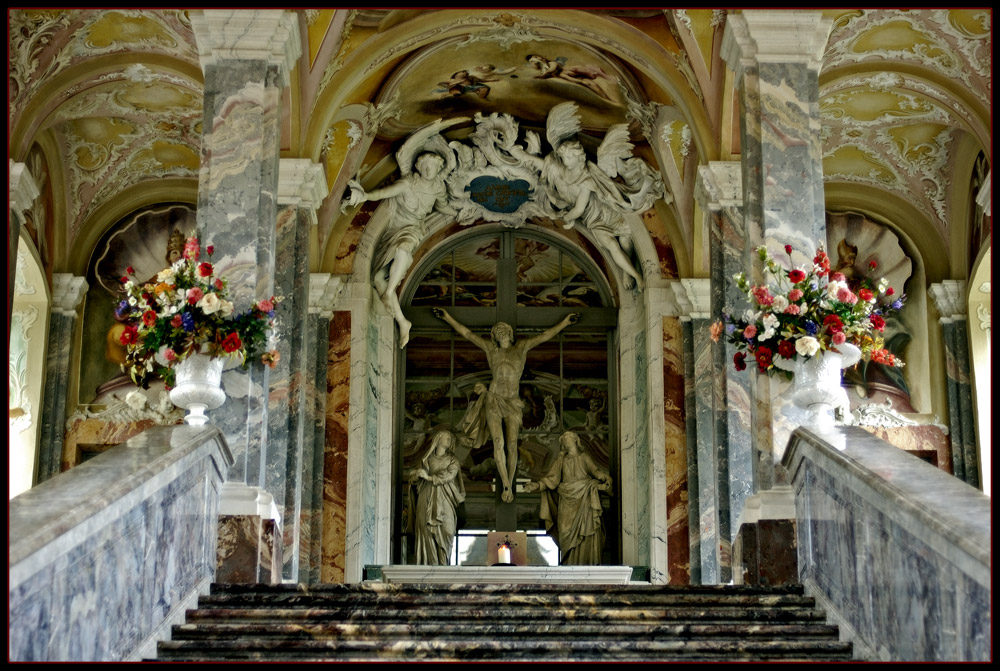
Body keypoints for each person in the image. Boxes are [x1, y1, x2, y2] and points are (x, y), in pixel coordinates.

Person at [433, 307, 579, 503]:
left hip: (512, 401)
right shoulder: (490, 349)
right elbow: (467, 334)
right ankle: (506, 484)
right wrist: (448, 318)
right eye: (497, 331)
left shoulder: (521, 347)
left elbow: (545, 336)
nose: (501, 332)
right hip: (493, 399)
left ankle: (510, 481)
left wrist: (565, 323)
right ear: (494, 336)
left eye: (504, 330)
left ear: (510, 334)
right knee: (498, 443)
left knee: (511, 444)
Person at [345, 152, 458, 348]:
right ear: (420, 167)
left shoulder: (438, 189)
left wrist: (467, 207)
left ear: (438, 169)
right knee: (378, 278)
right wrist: (365, 195)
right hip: (393, 231)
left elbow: (444, 207)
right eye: (426, 166)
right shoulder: (408, 183)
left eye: (433, 167)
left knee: (403, 250)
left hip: (412, 230)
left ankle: (390, 292)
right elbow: (383, 193)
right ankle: (403, 321)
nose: (429, 170)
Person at [524, 430, 612, 565]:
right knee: (565, 531)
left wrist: (604, 477)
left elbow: (595, 471)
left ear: (575, 440)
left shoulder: (584, 457)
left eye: (568, 438)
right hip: (566, 500)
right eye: (563, 439)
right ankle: (569, 563)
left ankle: (585, 563)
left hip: (584, 499)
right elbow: (552, 479)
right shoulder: (561, 460)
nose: (565, 440)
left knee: (586, 531)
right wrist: (537, 485)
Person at [408, 430, 466, 566]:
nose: (449, 441)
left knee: (448, 529)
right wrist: (417, 475)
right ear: (438, 439)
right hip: (426, 497)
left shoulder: (452, 460)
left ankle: (444, 564)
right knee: (426, 531)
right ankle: (430, 567)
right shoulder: (426, 459)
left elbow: (449, 476)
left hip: (445, 497)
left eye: (451, 439)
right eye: (447, 438)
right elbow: (412, 478)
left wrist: (428, 477)